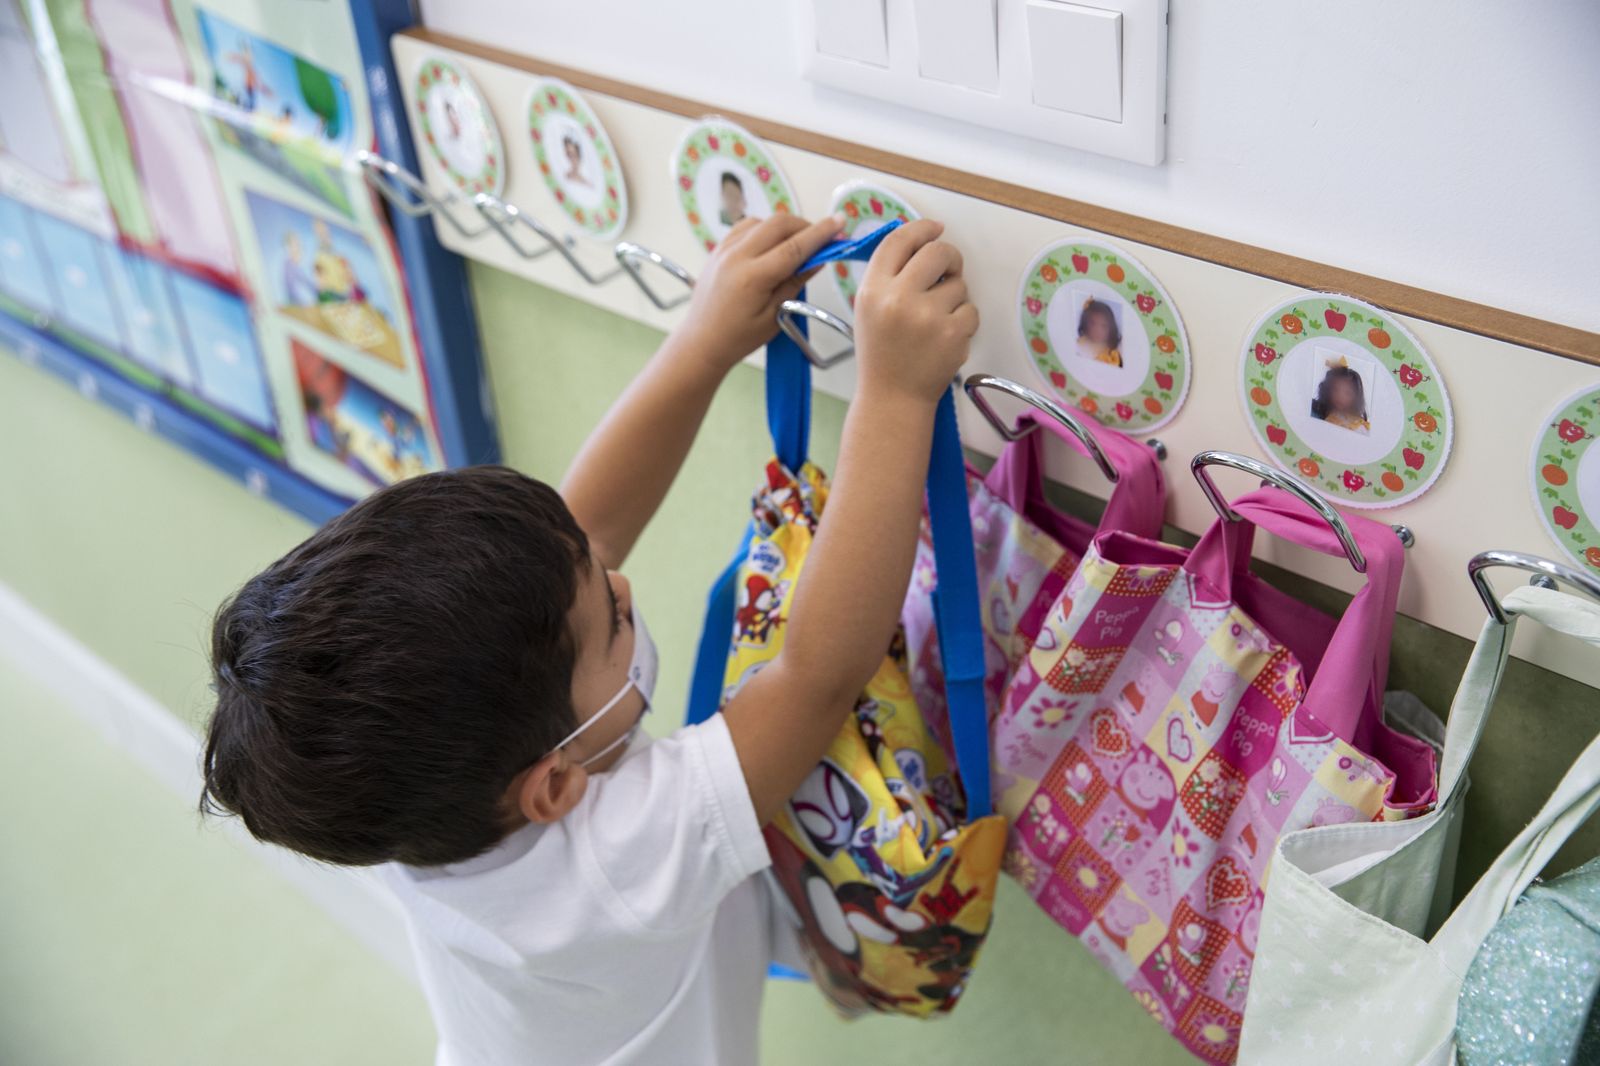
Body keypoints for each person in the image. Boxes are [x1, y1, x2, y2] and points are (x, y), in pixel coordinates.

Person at [197, 213, 977, 1065]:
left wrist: (704, 342)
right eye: (611, 622)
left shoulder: (404, 781)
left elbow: (587, 529)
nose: (623, 584)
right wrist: (896, 394)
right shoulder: (615, 869)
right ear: (554, 785)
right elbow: (816, 673)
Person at [1311, 358, 1370, 434]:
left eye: (1348, 393)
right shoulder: (1319, 413)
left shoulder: (1360, 424)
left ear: (1356, 397)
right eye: (1335, 390)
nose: (1340, 397)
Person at [1075, 297, 1123, 367]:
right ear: (1085, 323)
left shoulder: (1114, 353)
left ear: (1111, 329)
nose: (1097, 330)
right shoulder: (1080, 344)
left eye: (1104, 326)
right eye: (1092, 323)